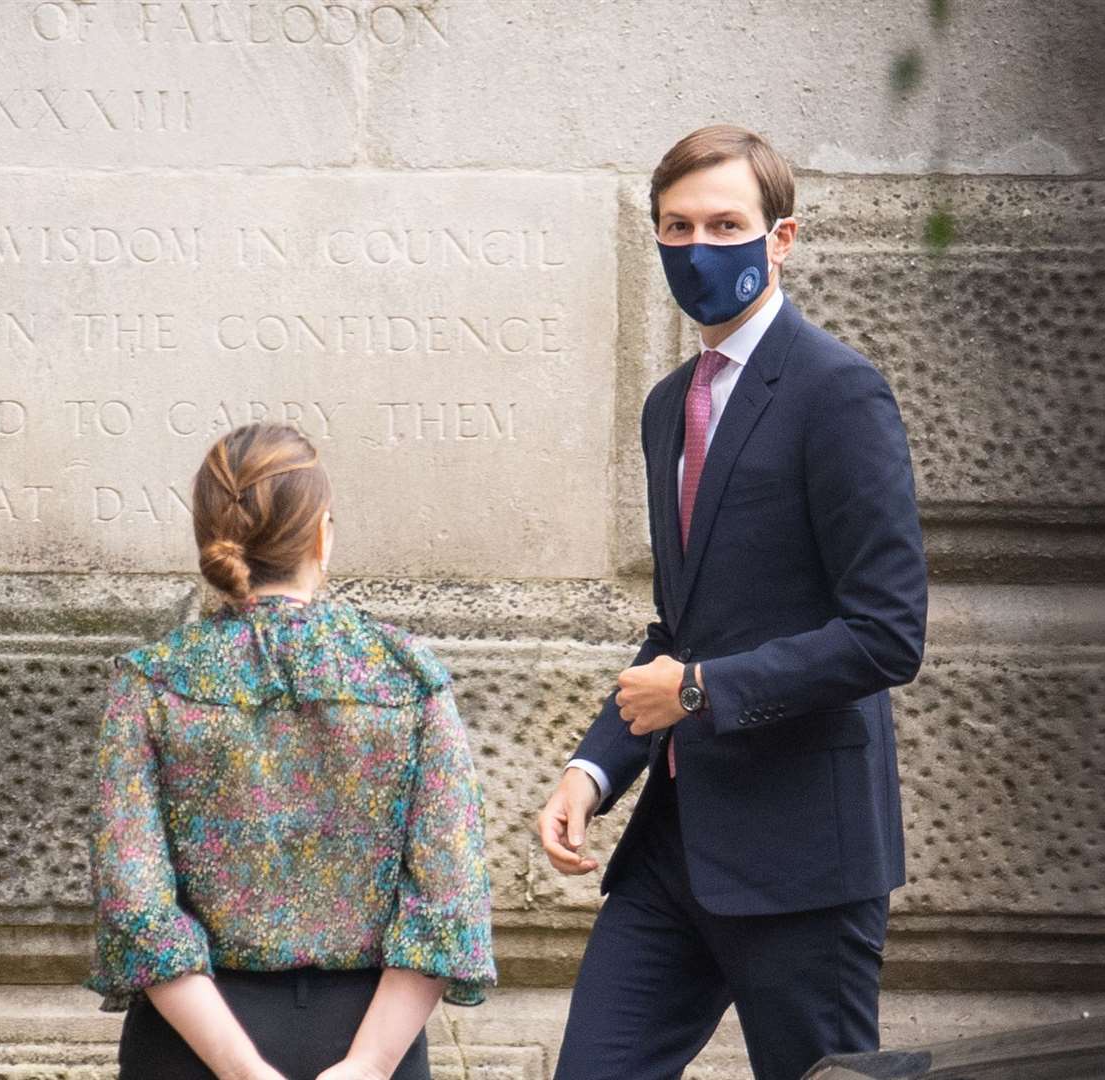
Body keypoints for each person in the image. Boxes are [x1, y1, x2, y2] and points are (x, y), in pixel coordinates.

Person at [537, 124, 929, 1080]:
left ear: (780, 238)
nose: (699, 249)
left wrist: (703, 690)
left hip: (804, 857)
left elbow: (888, 634)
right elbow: (680, 629)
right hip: (674, 850)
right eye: (677, 228)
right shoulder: (670, 404)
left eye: (725, 224)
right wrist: (592, 771)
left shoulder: (840, 394)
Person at [86, 421, 496, 1080]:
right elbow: (449, 903)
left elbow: (139, 910)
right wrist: (368, 1064)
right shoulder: (407, 675)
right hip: (368, 1034)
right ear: (321, 535)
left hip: (192, 1047)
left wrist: (245, 1070)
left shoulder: (154, 683)